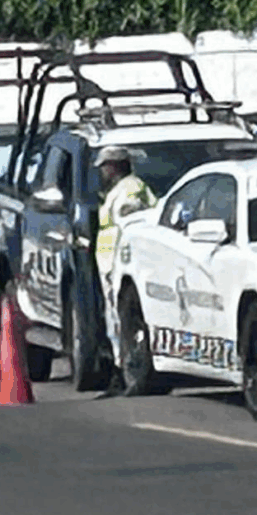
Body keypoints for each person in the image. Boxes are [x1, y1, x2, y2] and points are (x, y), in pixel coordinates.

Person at [92, 144, 157, 398]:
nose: (103, 172)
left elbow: (128, 225)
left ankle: (129, 375)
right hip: (111, 263)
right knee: (114, 322)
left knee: (122, 322)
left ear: (115, 166)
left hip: (120, 264)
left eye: (105, 167)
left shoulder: (130, 189)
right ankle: (122, 373)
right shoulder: (118, 190)